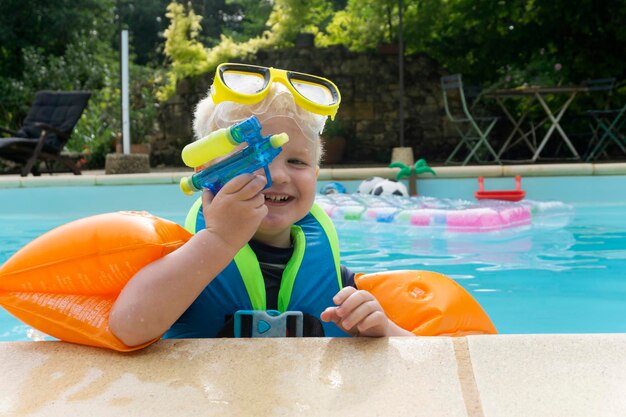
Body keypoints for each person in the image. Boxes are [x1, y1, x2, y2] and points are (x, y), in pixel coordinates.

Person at [109, 63, 413, 347]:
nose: (278, 175)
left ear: (316, 175)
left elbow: (422, 354)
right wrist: (219, 240)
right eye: (253, 158)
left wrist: (381, 329)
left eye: (297, 161)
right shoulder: (185, 259)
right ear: (206, 176)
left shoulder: (335, 281)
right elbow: (126, 328)